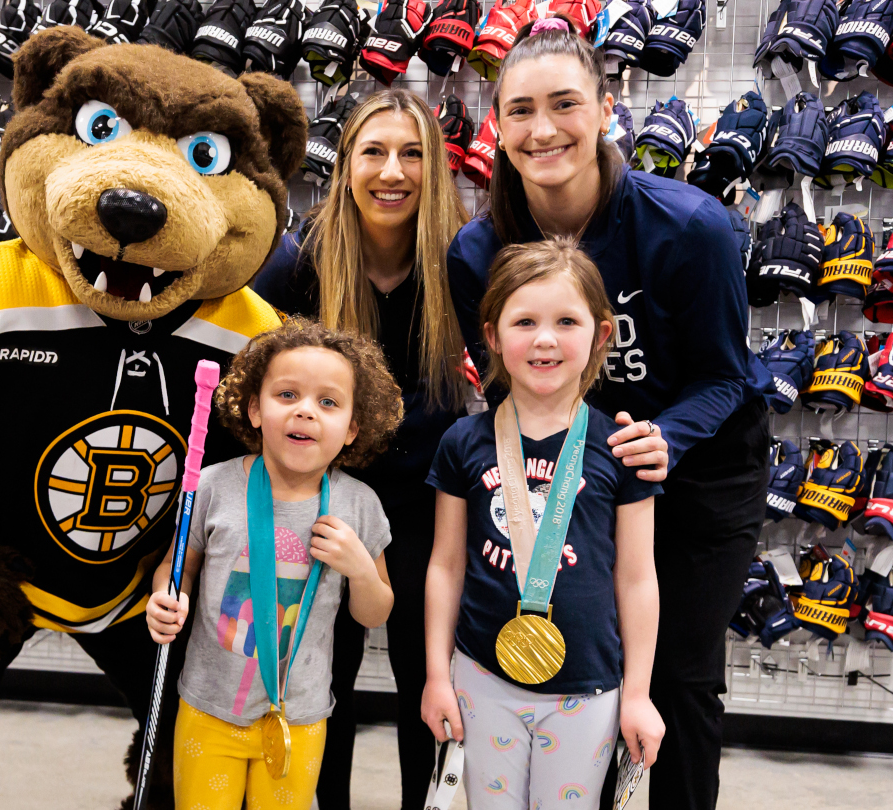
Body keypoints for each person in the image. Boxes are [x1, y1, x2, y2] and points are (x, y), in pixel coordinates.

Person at [446, 17, 774, 810]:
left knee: (677, 681)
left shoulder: (691, 226)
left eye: (564, 103)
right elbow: (502, 388)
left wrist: (665, 436)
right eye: (520, 110)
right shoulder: (476, 253)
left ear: (605, 105)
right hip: (575, 486)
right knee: (584, 670)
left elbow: (727, 380)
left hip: (699, 475)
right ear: (499, 125)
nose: (543, 128)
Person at [253, 88, 471, 810]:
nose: (392, 171)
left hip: (426, 504)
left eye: (412, 153)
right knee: (322, 676)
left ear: (435, 168)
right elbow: (252, 376)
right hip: (323, 502)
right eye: (374, 151)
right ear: (346, 164)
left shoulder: (463, 259)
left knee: (425, 673)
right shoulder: (299, 262)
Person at [422, 238, 665, 808]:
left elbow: (636, 578)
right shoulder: (463, 443)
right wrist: (437, 675)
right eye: (524, 321)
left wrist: (638, 693)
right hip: (482, 679)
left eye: (566, 321)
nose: (546, 339)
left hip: (589, 686)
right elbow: (446, 565)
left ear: (601, 335)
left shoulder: (620, 447)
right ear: (492, 336)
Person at [145, 318, 400, 810]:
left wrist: (361, 570)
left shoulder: (358, 506)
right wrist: (166, 595)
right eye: (287, 395)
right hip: (207, 708)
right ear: (255, 410)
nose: (306, 411)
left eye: (328, 402)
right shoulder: (213, 486)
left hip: (299, 718)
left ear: (351, 429)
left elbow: (376, 613)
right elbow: (180, 566)